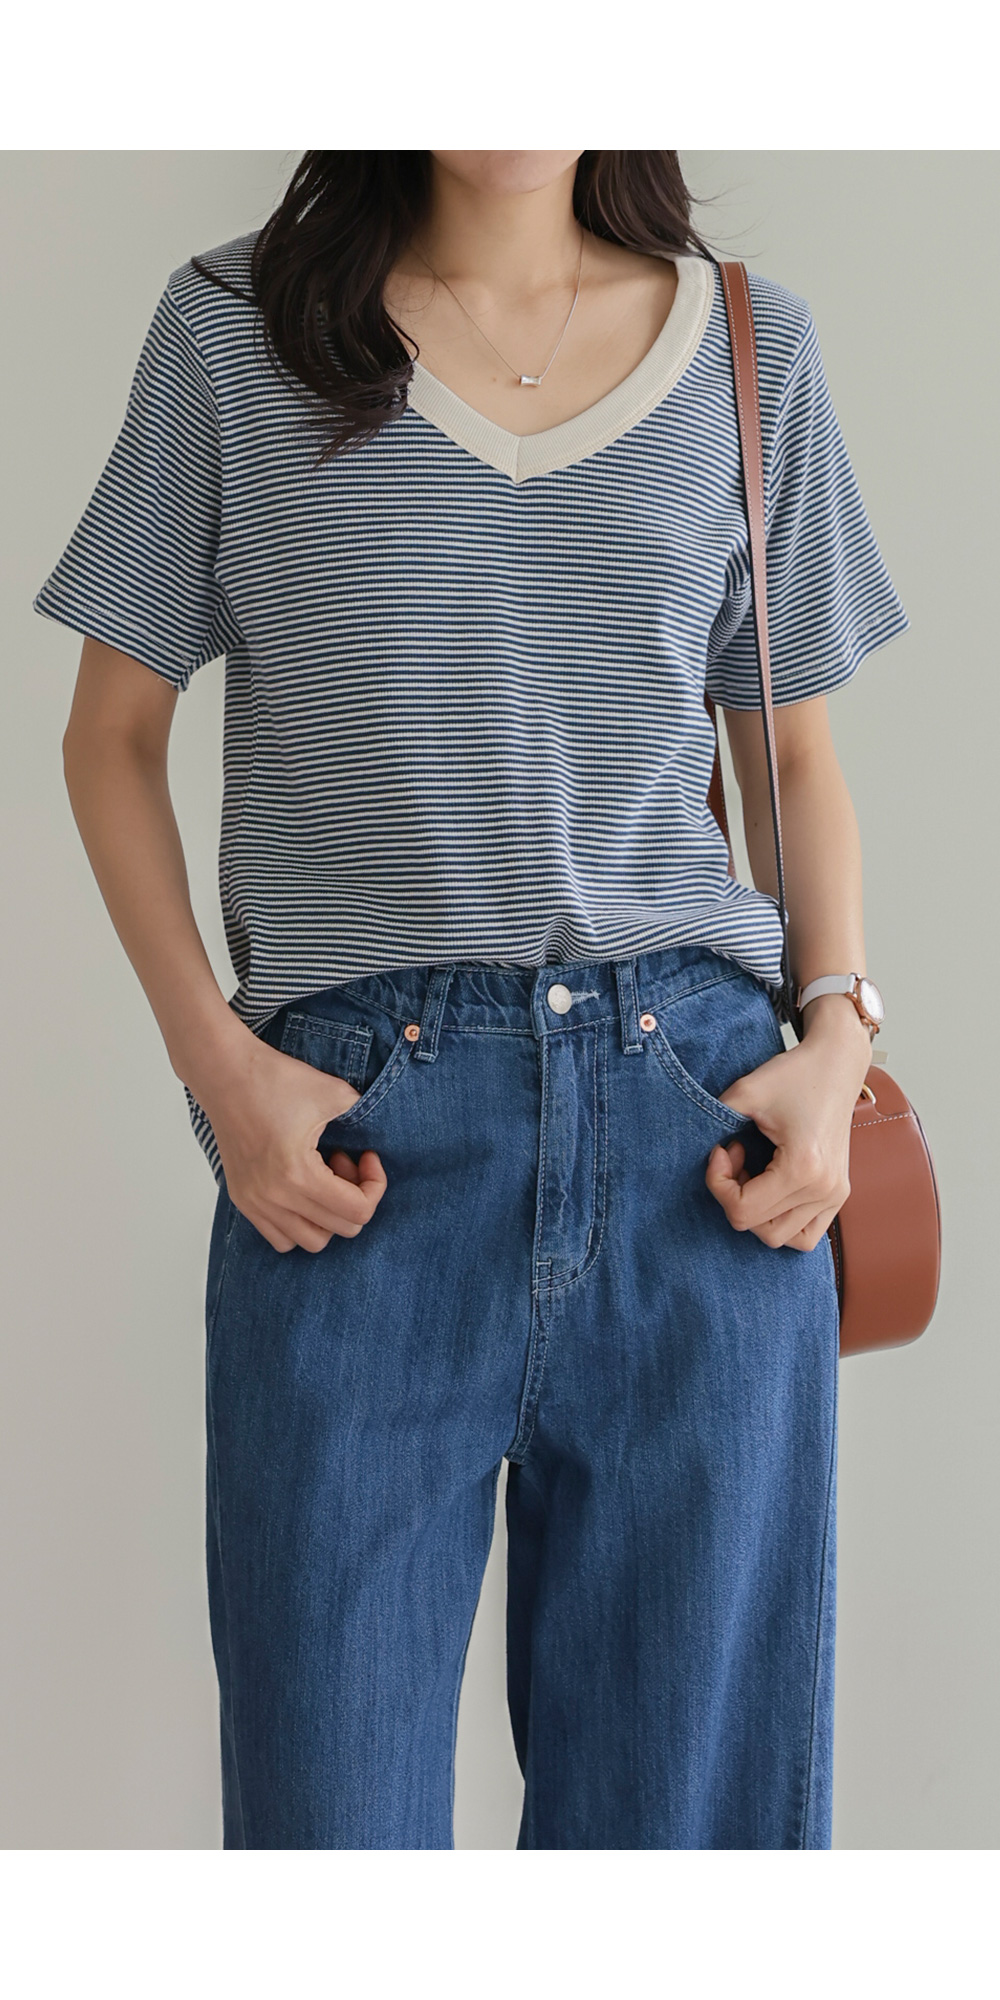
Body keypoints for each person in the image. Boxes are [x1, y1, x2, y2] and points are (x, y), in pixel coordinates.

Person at [33, 150, 908, 1849]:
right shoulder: (232, 334)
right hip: (355, 1158)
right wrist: (219, 1069)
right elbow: (108, 737)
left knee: (692, 1850)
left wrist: (837, 1035)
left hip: (698, 1149)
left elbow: (794, 752)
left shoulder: (750, 350)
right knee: (329, 1835)